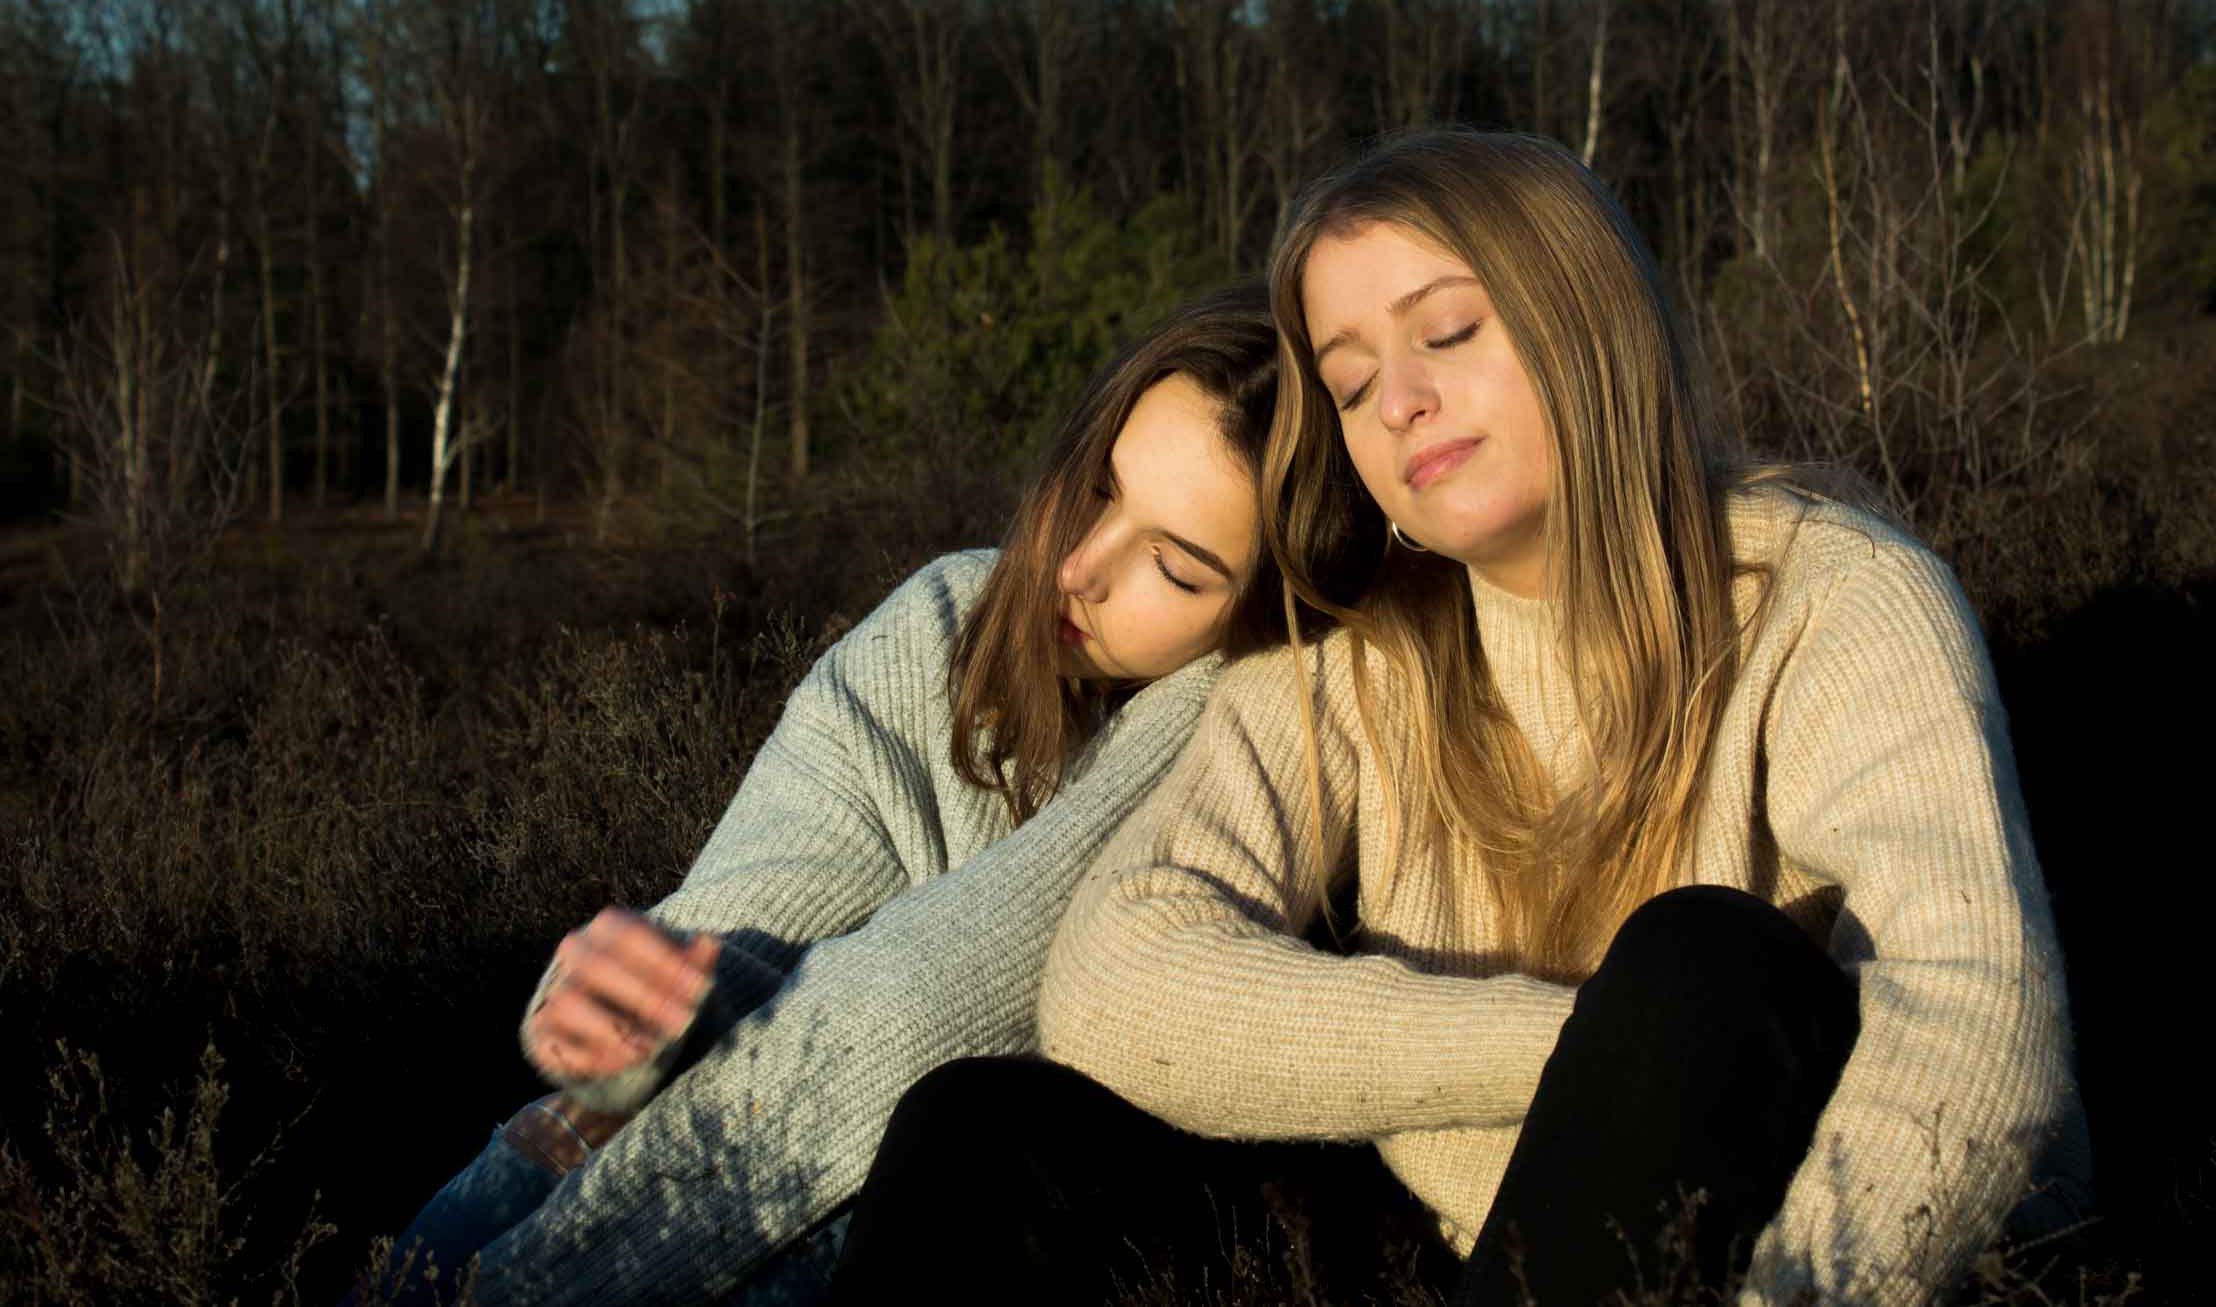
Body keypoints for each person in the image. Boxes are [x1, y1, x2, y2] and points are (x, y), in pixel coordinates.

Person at [833, 129, 2091, 1307]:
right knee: (986, 1130)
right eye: (1351, 379)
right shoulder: (1365, 642)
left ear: (1588, 318)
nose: (1397, 402)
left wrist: (1688, 1105)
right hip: (1438, 1246)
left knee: (1704, 963)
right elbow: (1120, 981)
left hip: (1754, 1250)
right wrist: (1582, 1050)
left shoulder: (1836, 600)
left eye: (1446, 331)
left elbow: (1971, 1028)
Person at [357, 283, 1369, 1307]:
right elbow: (737, 922)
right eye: (1100, 486)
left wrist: (1238, 680)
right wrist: (629, 1007)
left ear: (1270, 614)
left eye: (1175, 567)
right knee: (550, 1148)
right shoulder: (942, 622)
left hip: (984, 1231)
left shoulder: (1266, 728)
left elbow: (936, 1005)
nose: (1079, 565)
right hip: (699, 1135)